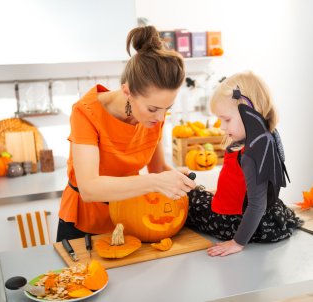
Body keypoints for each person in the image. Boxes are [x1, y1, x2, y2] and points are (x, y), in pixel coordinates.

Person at [56, 25, 196, 242]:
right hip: (85, 224)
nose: (160, 118)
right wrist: (157, 182)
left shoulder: (152, 117)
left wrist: (176, 178)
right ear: (127, 91)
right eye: (153, 109)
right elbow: (90, 188)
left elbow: (157, 169)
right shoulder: (86, 113)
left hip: (132, 218)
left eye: (166, 108)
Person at [186, 71, 302, 257]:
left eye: (226, 119)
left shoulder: (250, 155)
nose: (222, 127)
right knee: (199, 193)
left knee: (189, 201)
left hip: (237, 222)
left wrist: (237, 242)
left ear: (248, 112)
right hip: (262, 216)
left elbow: (256, 204)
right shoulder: (263, 140)